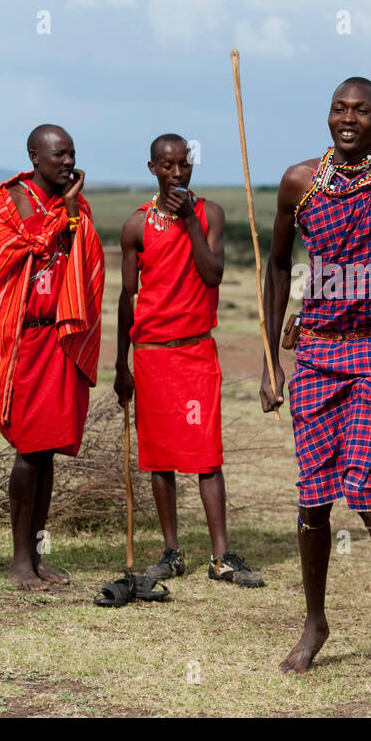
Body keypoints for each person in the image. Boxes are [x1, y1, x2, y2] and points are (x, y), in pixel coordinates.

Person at [261, 77, 371, 692]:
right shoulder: (299, 181)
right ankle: (314, 624)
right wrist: (268, 357)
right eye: (339, 108)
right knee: (313, 494)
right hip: (313, 355)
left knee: (363, 487)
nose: (348, 118)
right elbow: (279, 264)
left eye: (362, 111)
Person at [113, 133, 264, 587]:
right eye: (167, 166)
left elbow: (212, 273)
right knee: (160, 460)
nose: (177, 173)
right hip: (153, 355)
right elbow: (126, 296)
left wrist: (191, 225)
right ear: (152, 169)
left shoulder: (210, 214)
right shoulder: (136, 226)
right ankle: (173, 553)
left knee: (206, 457)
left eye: (184, 164)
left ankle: (221, 558)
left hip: (197, 351)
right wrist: (121, 365)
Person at [0, 124, 104, 591]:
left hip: (62, 339)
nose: (67, 162)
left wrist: (71, 213)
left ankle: (36, 555)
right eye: (57, 155)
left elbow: (84, 258)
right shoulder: (8, 200)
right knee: (29, 452)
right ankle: (17, 562)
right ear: (34, 155)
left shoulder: (76, 206)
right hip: (21, 338)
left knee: (47, 451)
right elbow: (8, 253)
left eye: (71, 153)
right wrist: (58, 220)